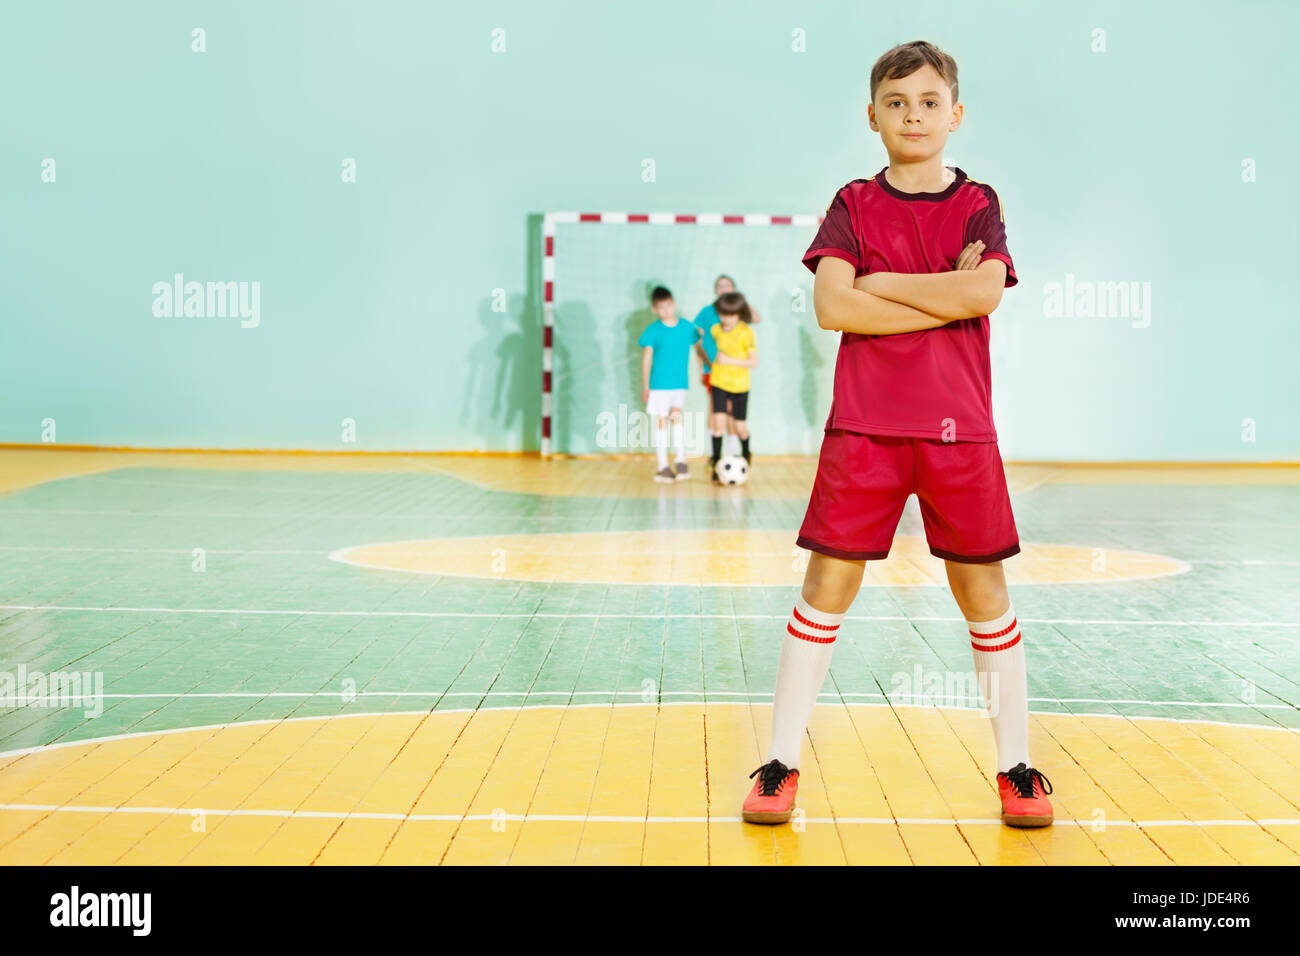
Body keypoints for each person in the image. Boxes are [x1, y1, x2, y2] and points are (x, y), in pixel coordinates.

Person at [742, 40, 1054, 829]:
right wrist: (942, 295)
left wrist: (883, 282)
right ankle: (779, 763)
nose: (913, 114)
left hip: (961, 433)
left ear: (956, 113)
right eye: (896, 102)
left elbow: (986, 293)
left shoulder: (980, 200)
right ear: (873, 114)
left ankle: (1016, 768)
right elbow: (834, 307)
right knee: (825, 589)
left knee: (983, 592)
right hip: (867, 427)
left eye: (927, 101)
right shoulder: (853, 202)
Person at [694, 275, 762, 457]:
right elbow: (697, 340)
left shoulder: (744, 330)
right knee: (717, 419)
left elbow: (756, 319)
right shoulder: (711, 321)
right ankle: (715, 460)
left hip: (739, 382)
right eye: (720, 286)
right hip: (716, 376)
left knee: (737, 423)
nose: (723, 289)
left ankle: (739, 454)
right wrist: (703, 365)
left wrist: (738, 300)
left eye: (727, 286)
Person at [638, 286, 701, 482]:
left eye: (668, 306)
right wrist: (646, 385)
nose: (666, 310)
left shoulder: (687, 327)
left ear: (674, 303)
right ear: (654, 309)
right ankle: (662, 466)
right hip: (658, 385)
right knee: (661, 422)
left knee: (677, 418)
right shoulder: (653, 331)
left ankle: (681, 462)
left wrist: (704, 369)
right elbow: (646, 359)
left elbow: (699, 349)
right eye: (661, 308)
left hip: (680, 384)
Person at [704, 292, 758, 481]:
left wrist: (729, 360)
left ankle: (746, 455)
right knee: (718, 424)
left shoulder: (746, 333)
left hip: (740, 386)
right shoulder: (716, 330)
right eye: (722, 314)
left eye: (731, 314)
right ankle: (716, 463)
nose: (726, 319)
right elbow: (704, 341)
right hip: (719, 382)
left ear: (739, 314)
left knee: (740, 426)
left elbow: (753, 362)